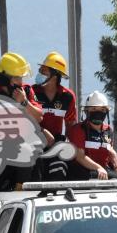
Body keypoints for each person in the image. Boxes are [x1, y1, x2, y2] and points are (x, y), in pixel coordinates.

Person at [0, 52, 44, 191]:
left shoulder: (26, 90)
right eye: (17, 78)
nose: (21, 81)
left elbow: (38, 117)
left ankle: (21, 193)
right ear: (5, 78)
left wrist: (24, 102)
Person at [32, 52, 78, 181]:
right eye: (40, 70)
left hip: (56, 144)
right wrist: (41, 131)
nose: (40, 73)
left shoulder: (68, 96)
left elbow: (70, 126)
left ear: (55, 75)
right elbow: (25, 121)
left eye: (44, 71)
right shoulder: (31, 92)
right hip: (34, 142)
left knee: (59, 168)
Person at [67, 91, 117, 180]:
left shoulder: (108, 130)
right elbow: (80, 157)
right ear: (86, 111)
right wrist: (98, 168)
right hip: (82, 171)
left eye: (102, 109)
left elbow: (111, 151)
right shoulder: (78, 129)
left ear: (106, 111)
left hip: (103, 170)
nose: (98, 112)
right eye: (93, 109)